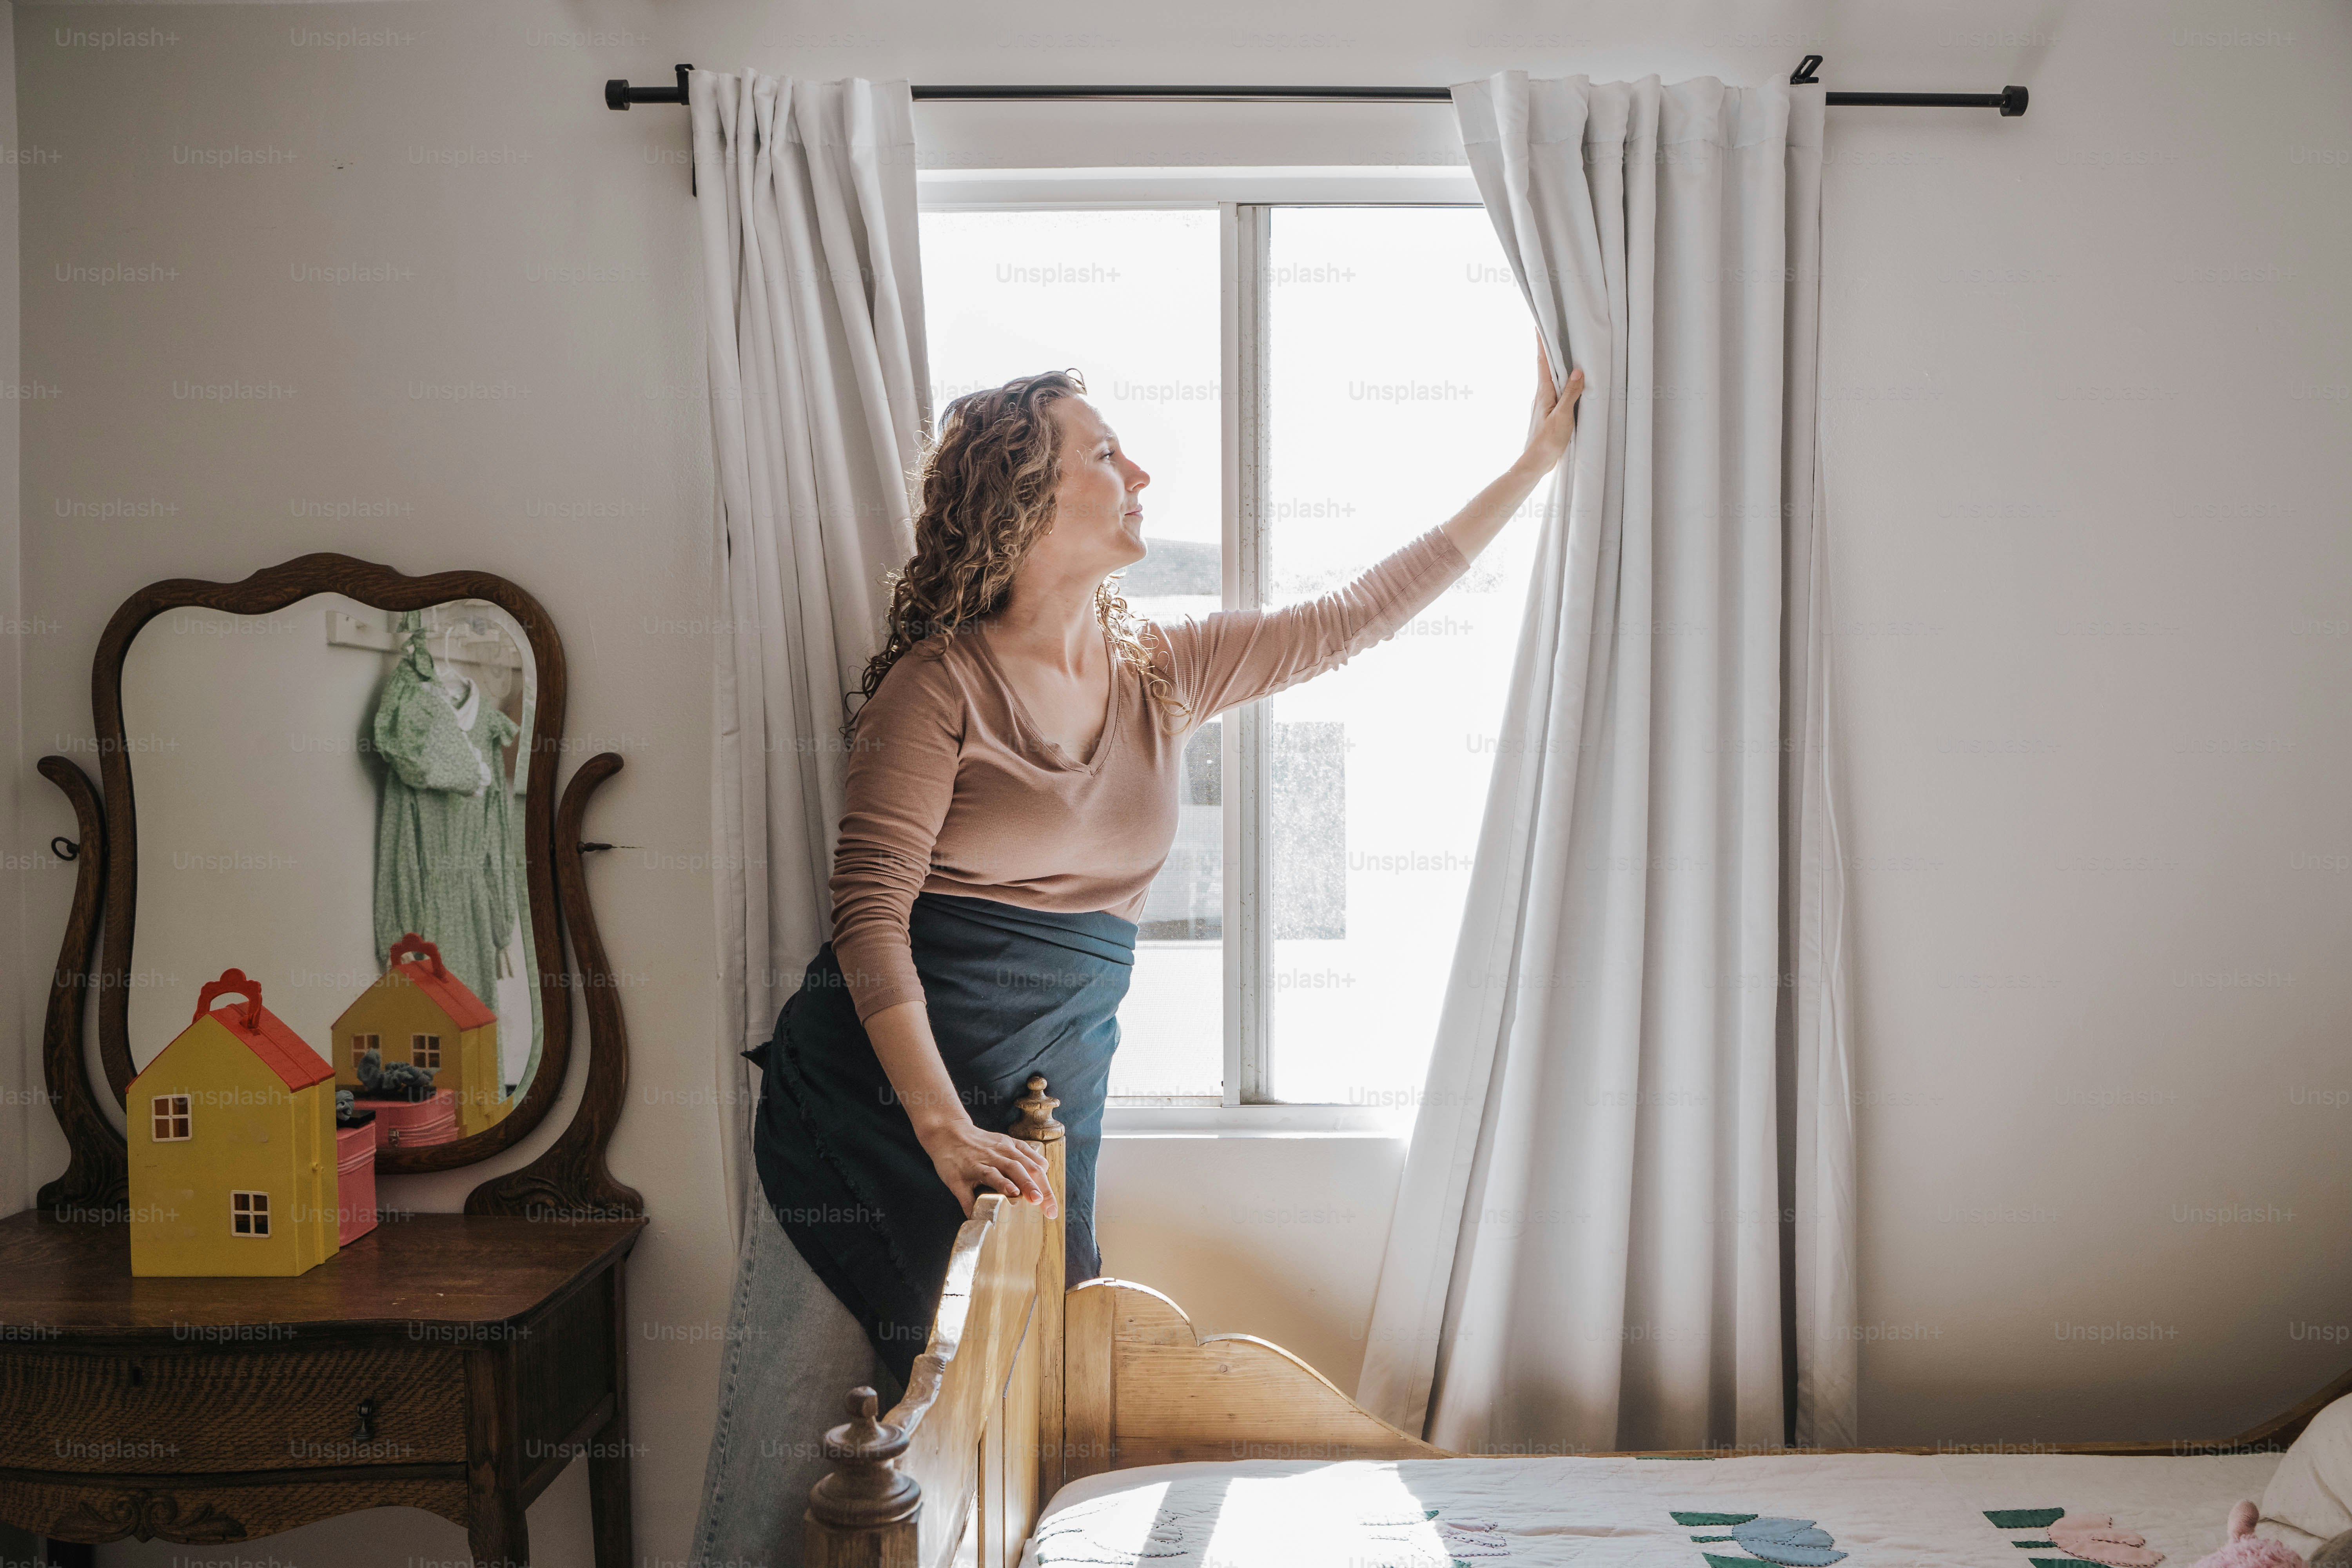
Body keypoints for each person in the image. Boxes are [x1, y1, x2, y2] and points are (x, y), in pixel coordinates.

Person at [692, 346, 1584, 1567]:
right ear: (1022, 499)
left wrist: (1531, 466)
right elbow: (870, 921)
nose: (1141, 472)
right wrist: (946, 1132)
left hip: (1046, 1102)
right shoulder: (936, 687)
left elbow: (1354, 618)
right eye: (1106, 453)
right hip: (864, 1110)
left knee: (1010, 1438)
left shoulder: (1162, 674)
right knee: (788, 1471)